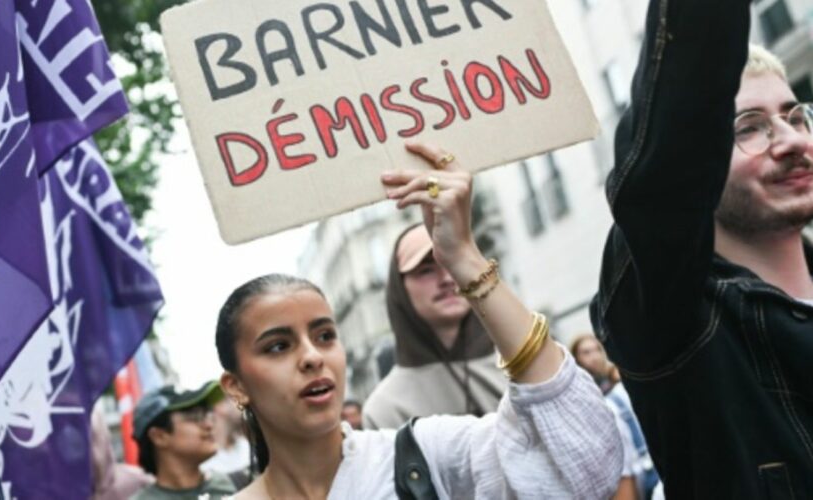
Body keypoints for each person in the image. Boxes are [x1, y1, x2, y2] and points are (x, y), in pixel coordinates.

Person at [215, 140, 622, 499]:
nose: (312, 357)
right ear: (236, 386)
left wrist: (464, 256)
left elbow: (581, 466)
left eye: (324, 336)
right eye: (278, 346)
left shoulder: (423, 454)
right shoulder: (390, 404)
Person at [589, 0, 813, 495]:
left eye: (795, 117)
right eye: (749, 127)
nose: (791, 140)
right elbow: (671, 142)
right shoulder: (678, 319)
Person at [361, 224, 506, 429]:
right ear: (400, 290)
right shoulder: (385, 409)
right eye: (426, 270)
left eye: (452, 264)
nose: (446, 279)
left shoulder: (519, 368)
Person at [571, 334, 659, 499]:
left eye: (597, 349)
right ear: (576, 358)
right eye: (586, 352)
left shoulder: (621, 385)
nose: (594, 357)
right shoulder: (582, 401)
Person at [131, 382, 237, 500]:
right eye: (195, 417)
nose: (209, 425)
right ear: (159, 436)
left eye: (207, 415)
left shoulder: (230, 486)